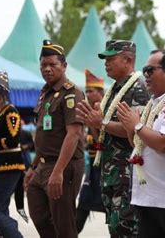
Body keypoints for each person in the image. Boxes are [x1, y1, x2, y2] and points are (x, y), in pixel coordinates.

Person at [117, 49, 165, 237]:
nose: (146, 76)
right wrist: (130, 129)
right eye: (144, 71)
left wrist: (136, 126)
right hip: (148, 197)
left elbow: (164, 145)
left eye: (150, 70)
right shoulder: (153, 104)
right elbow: (138, 145)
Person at [76, 40, 148, 237]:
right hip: (111, 171)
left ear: (128, 59)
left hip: (127, 173)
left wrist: (101, 123)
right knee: (115, 226)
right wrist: (92, 121)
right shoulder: (114, 90)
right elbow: (103, 129)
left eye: (111, 59)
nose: (106, 64)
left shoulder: (138, 89)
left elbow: (135, 131)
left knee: (127, 228)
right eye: (105, 60)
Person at [24, 40, 85, 238]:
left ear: (64, 66)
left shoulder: (71, 92)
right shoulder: (45, 93)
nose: (47, 69)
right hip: (42, 165)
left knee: (64, 224)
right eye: (43, 65)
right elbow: (43, 136)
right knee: (40, 216)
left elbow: (73, 134)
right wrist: (33, 168)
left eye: (52, 64)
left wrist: (58, 172)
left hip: (63, 166)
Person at [0, 71, 25, 238]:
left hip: (9, 166)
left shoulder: (11, 112)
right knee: (0, 208)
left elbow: (12, 140)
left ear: (5, 92)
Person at [76, 69, 106, 233]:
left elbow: (100, 140)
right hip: (93, 168)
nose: (87, 94)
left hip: (105, 166)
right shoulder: (90, 109)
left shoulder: (103, 109)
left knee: (113, 213)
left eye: (90, 91)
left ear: (100, 92)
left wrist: (92, 122)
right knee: (82, 207)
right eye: (86, 91)